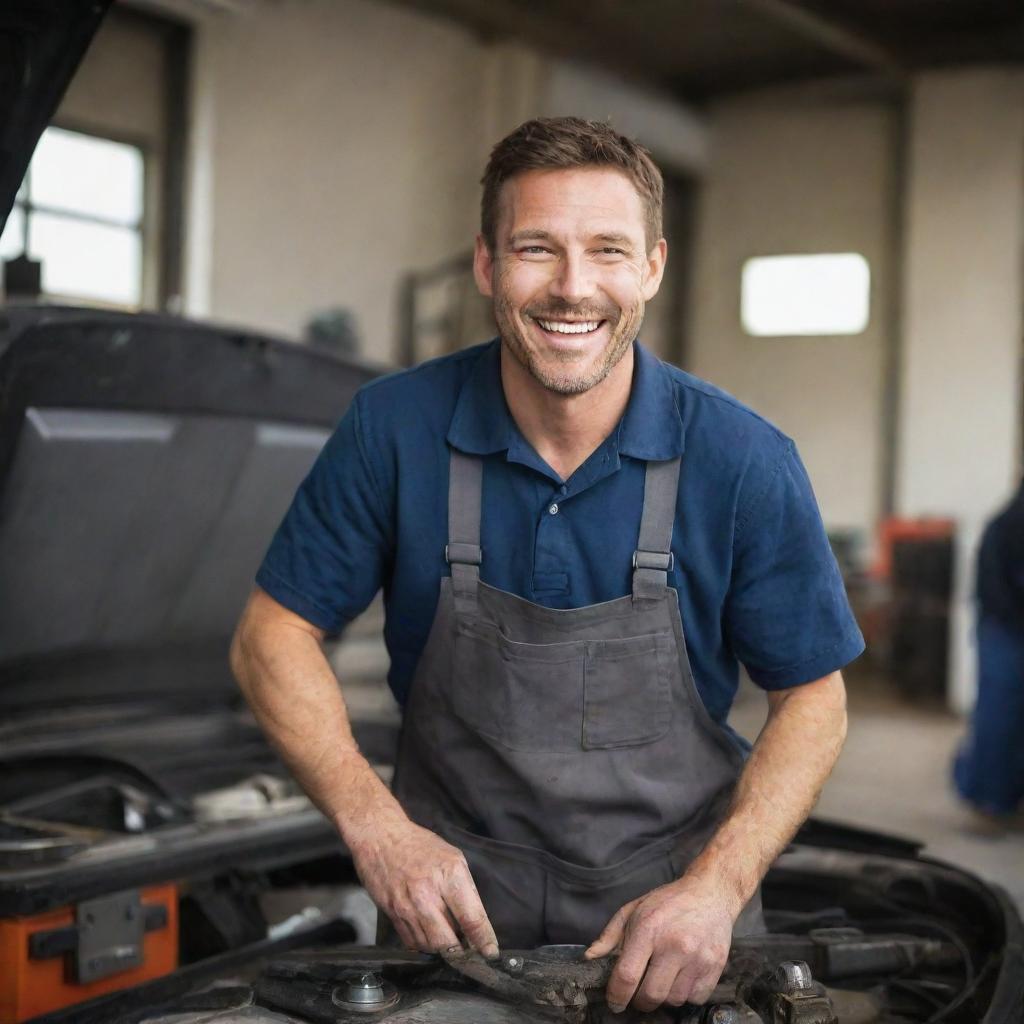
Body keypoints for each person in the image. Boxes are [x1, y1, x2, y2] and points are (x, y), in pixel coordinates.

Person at [231, 116, 863, 1013]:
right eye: (537, 248)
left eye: (608, 250)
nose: (573, 289)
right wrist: (376, 829)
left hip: (672, 934)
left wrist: (716, 890)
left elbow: (815, 698)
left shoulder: (742, 459)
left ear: (651, 267)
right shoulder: (393, 428)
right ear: (487, 264)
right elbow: (272, 634)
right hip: (448, 930)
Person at [953, 479, 1024, 832]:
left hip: (1006, 627)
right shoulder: (1010, 523)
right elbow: (1002, 589)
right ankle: (990, 803)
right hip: (1006, 630)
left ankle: (1001, 799)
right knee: (1000, 718)